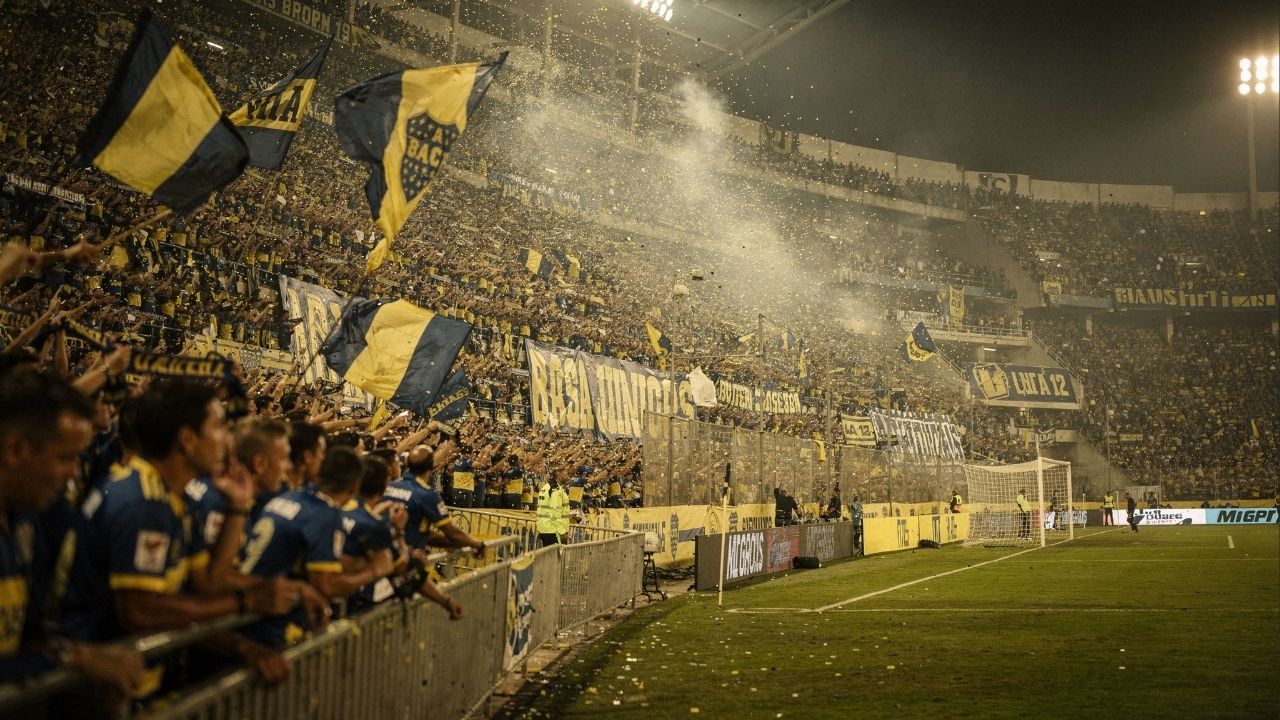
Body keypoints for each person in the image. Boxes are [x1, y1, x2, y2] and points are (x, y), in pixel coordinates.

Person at [0, 369, 145, 696]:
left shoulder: (26, 521)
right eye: (65, 458)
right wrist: (73, 659)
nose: (75, 473)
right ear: (15, 450)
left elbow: (28, 635)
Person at [240, 447, 394, 649]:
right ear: (354, 485)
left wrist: (359, 563)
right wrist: (374, 570)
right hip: (266, 627)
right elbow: (326, 586)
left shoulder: (292, 495)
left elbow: (312, 557)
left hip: (244, 606)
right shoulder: (325, 513)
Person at [535, 467, 570, 546]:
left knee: (547, 552)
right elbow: (555, 512)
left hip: (543, 527)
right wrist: (562, 532)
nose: (568, 477)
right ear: (559, 476)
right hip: (552, 529)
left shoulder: (546, 486)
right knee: (554, 553)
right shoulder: (555, 490)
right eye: (565, 474)